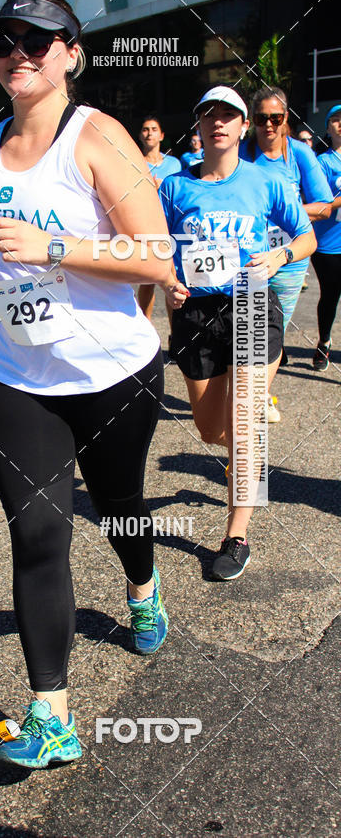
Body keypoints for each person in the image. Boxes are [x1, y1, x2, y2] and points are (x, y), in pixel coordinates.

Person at [0, 0, 171, 769]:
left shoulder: (98, 139)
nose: (21, 51)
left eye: (41, 41)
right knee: (38, 535)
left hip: (112, 372)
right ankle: (52, 715)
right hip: (17, 376)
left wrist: (54, 247)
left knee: (119, 511)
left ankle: (142, 590)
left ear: (73, 52)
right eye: (7, 39)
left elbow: (157, 258)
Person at [159, 85, 315, 582]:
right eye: (209, 115)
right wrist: (166, 282)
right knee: (211, 429)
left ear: (243, 126)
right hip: (197, 314)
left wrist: (279, 256)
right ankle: (245, 461)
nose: (219, 123)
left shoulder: (265, 180)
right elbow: (155, 247)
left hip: (249, 302)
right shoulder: (174, 186)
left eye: (230, 115)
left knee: (245, 425)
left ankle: (237, 534)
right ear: (199, 126)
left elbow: (305, 236)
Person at [240, 87, 332, 421]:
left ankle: (260, 394)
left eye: (275, 118)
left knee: (273, 326)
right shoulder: (242, 153)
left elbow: (324, 206)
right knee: (249, 325)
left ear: (285, 119)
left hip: (290, 256)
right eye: (262, 118)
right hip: (249, 255)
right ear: (252, 121)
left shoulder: (299, 155)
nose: (268, 125)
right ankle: (248, 390)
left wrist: (283, 210)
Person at [137, 115, 181, 318]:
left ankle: (174, 335)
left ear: (161, 135)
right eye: (145, 129)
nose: (149, 133)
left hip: (170, 225)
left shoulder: (174, 164)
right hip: (146, 225)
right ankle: (146, 327)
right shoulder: (134, 162)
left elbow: (181, 193)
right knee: (147, 279)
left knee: (171, 278)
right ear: (140, 135)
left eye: (154, 129)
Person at [312, 103, 341, 370]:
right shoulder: (324, 162)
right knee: (330, 295)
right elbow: (319, 203)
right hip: (329, 244)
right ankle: (324, 341)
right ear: (328, 127)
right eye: (336, 119)